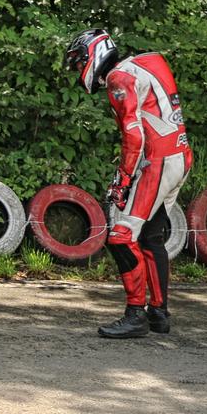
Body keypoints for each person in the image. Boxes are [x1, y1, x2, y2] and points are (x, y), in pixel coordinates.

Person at [63, 29, 193, 339]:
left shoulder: (118, 78)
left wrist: (122, 180)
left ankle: (136, 315)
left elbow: (134, 136)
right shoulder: (141, 65)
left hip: (158, 162)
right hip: (179, 156)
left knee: (121, 236)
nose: (80, 70)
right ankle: (158, 314)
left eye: (80, 62)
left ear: (94, 54)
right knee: (150, 236)